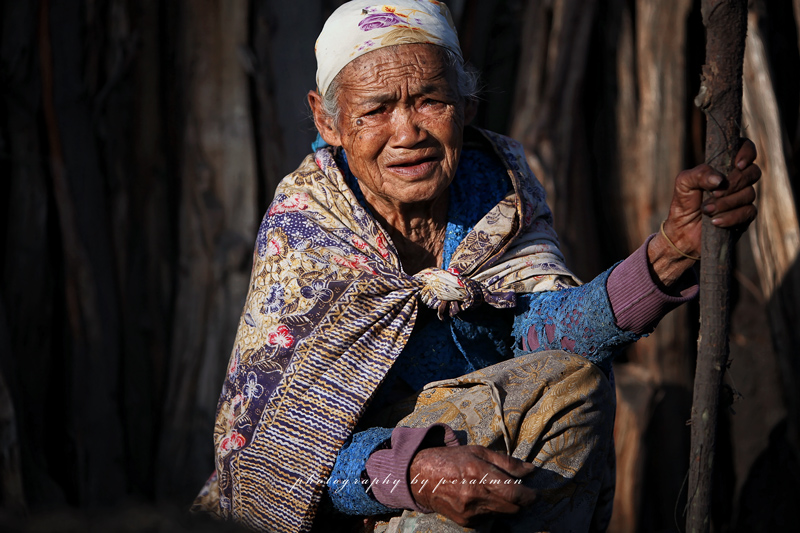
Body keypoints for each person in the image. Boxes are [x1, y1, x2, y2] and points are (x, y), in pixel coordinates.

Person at [192, 1, 760, 532]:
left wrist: (670, 253)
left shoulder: (497, 187)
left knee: (575, 384)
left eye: (429, 100)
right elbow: (280, 449)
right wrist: (412, 472)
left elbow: (541, 336)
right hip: (360, 500)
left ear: (466, 104)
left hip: (490, 462)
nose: (407, 132)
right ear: (330, 121)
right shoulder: (308, 228)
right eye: (376, 109)